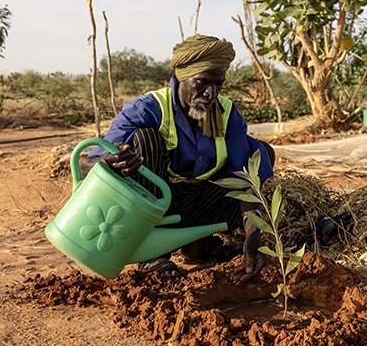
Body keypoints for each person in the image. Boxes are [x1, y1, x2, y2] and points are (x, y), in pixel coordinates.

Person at [87, 34, 275, 279]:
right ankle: (152, 256)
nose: (210, 94)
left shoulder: (227, 114)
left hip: (201, 203)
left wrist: (254, 236)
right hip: (155, 206)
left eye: (219, 85)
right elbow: (88, 162)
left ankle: (197, 244)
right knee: (145, 138)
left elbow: (244, 180)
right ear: (181, 77)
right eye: (203, 82)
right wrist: (111, 162)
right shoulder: (147, 108)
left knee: (259, 158)